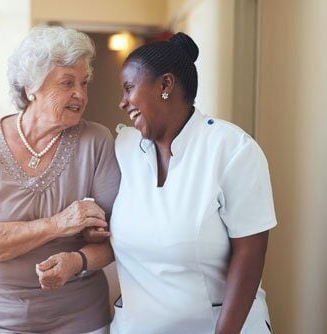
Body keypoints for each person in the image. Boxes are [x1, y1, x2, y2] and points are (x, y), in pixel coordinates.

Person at [42, 32, 277, 334]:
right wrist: (95, 220)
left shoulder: (232, 149)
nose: (123, 102)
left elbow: (249, 257)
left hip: (216, 326)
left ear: (165, 85)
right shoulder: (125, 148)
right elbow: (116, 209)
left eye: (129, 88)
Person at [0, 26, 120, 334]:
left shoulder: (96, 141)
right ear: (31, 87)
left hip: (78, 317)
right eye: (67, 83)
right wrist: (59, 224)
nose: (80, 94)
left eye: (83, 82)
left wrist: (77, 261)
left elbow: (117, 239)